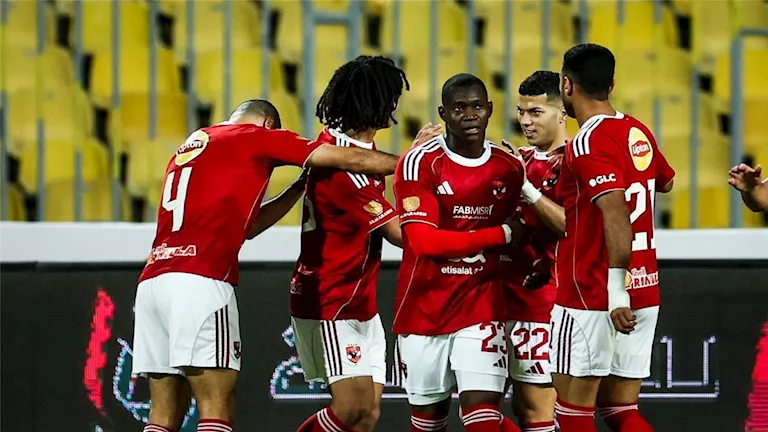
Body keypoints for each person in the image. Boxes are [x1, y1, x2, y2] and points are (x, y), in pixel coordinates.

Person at [131, 99, 401, 432]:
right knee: (217, 404)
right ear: (269, 124)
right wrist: (413, 162)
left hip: (153, 283)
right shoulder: (255, 136)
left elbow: (248, 228)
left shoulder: (194, 144)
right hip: (200, 281)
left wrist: (296, 189)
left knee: (163, 413)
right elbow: (351, 158)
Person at [545, 44, 675, 432]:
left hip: (594, 295)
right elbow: (665, 182)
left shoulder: (586, 141)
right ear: (612, 84)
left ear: (567, 86)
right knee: (621, 409)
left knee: (572, 413)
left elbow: (616, 212)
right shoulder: (636, 129)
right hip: (644, 288)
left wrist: (615, 293)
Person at [392, 73, 526, 432]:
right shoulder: (419, 163)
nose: (469, 115)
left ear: (490, 110)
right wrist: (501, 234)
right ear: (443, 113)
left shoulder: (509, 168)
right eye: (459, 108)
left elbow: (523, 234)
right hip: (424, 309)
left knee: (483, 417)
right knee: (428, 424)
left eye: (477, 107)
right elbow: (423, 242)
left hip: (481, 305)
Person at [290, 56, 406, 432]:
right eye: (391, 97)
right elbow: (401, 235)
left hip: (359, 300)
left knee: (366, 415)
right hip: (331, 300)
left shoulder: (349, 150)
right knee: (350, 409)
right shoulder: (345, 170)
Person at [500, 71, 569, 432]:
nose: (525, 121)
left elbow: (572, 225)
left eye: (536, 112)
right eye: (521, 111)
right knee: (478, 410)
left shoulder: (576, 162)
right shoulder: (516, 159)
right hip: (493, 303)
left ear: (562, 113)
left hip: (541, 308)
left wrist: (525, 188)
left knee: (535, 413)